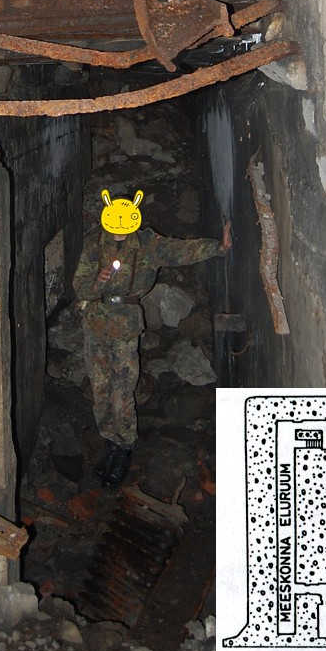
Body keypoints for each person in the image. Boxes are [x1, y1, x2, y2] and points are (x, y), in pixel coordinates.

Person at [72, 188, 231, 489]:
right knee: (101, 389)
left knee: (122, 390)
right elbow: (80, 287)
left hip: (125, 327)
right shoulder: (94, 245)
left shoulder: (147, 245)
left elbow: (182, 250)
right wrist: (97, 283)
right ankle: (110, 444)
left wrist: (218, 247)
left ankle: (124, 449)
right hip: (96, 325)